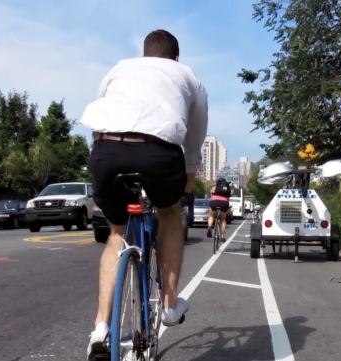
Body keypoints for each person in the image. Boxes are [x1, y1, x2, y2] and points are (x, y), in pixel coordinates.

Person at [80, 29, 208, 359]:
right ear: (175, 57)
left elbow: (102, 103)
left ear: (144, 54)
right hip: (158, 152)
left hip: (106, 148)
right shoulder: (187, 75)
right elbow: (195, 138)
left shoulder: (121, 67)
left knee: (116, 235)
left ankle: (100, 329)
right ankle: (167, 305)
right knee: (169, 214)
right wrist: (187, 188)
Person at [207, 177, 231, 241]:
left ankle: (209, 228)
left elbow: (212, 197)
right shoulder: (226, 188)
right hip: (224, 204)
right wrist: (228, 209)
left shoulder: (214, 188)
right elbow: (228, 200)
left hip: (214, 203)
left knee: (211, 216)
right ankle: (222, 236)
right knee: (223, 220)